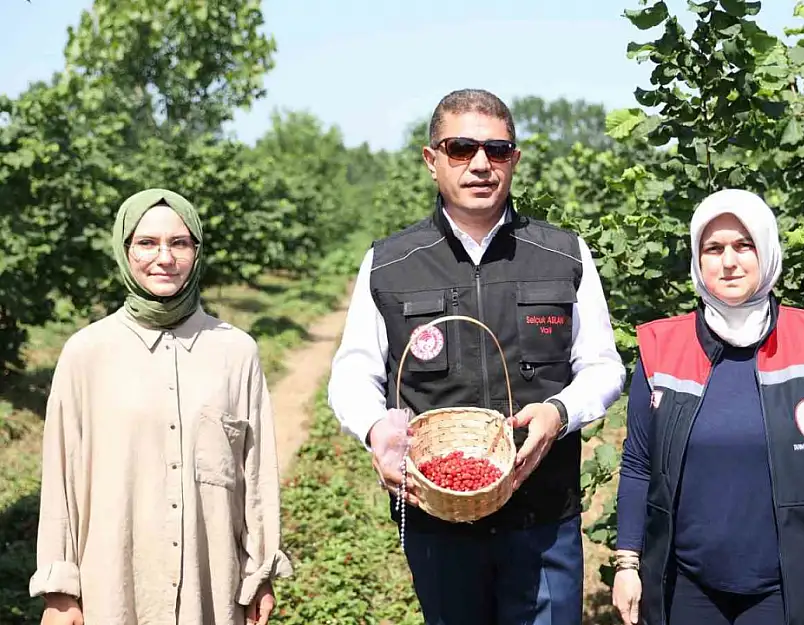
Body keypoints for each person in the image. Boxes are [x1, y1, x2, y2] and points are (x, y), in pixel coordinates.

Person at [327, 88, 626, 625]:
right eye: (461, 149)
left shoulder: (564, 254)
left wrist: (560, 413)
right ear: (432, 160)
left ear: (515, 159)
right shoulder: (391, 263)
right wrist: (377, 429)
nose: (481, 165)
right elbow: (354, 371)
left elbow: (603, 365)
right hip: (437, 518)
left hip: (543, 517)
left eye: (498, 150)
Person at [30, 188, 293, 625]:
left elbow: (256, 474)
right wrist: (61, 589)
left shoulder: (235, 351)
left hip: (209, 588)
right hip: (112, 587)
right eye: (147, 243)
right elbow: (61, 476)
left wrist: (259, 572)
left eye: (179, 243)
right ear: (125, 250)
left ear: (196, 251)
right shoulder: (88, 352)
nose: (164, 258)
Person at [610, 189, 804, 625]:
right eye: (713, 249)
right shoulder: (662, 347)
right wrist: (628, 563)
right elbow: (639, 465)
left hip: (790, 584)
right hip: (688, 586)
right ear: (698, 261)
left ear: (768, 251)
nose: (729, 262)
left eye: (744, 246)